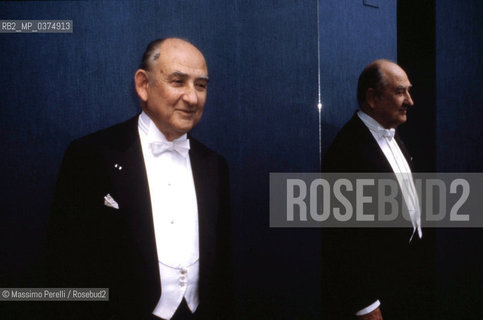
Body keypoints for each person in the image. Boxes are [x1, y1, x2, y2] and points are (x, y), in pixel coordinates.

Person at [47, 38, 232, 320]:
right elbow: (63, 267)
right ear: (143, 85)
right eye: (178, 81)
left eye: (201, 85)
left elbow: (223, 272)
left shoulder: (215, 166)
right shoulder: (91, 157)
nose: (192, 97)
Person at [321, 59, 434, 319]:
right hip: (375, 299)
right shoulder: (346, 151)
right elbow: (341, 242)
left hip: (405, 286)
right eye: (400, 91)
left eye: (409, 90)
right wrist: (366, 306)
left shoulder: (396, 137)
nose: (410, 100)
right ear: (372, 98)